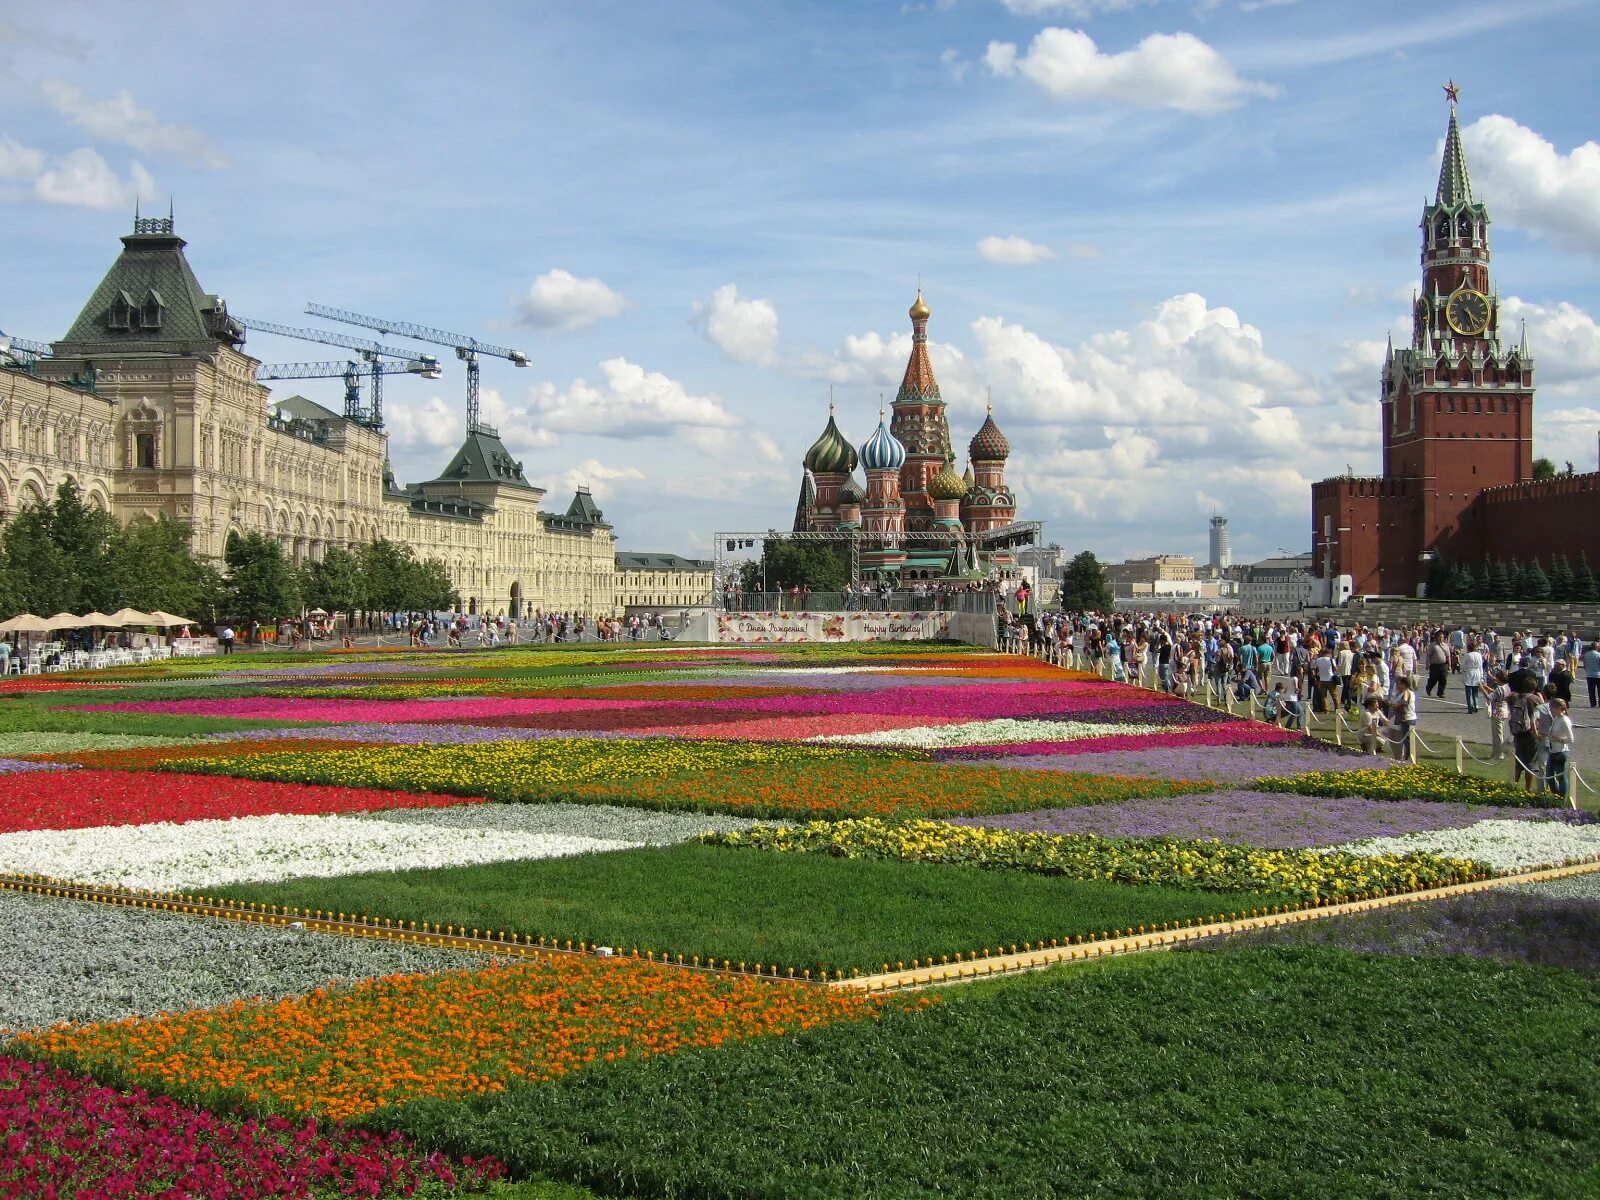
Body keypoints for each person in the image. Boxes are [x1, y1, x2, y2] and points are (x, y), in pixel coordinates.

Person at [1543, 697, 1575, 803]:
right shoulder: (1556, 719)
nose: (1551, 710)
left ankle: (1562, 799)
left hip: (1561, 752)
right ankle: (1557, 796)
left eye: (1553, 708)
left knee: (1561, 777)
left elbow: (1571, 739)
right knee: (1549, 776)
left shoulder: (1564, 720)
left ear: (1560, 708)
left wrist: (1558, 739)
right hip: (1553, 751)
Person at [1390, 675, 1417, 760]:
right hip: (1410, 718)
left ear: (1405, 685)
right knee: (1406, 739)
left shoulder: (1406, 692)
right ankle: (1406, 756)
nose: (1398, 686)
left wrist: (1395, 705)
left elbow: (1405, 701)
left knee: (1407, 740)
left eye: (1400, 684)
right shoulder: (1410, 692)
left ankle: (1407, 757)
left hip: (1407, 718)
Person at [1461, 640, 1484, 713]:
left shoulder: (1468, 655)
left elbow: (1464, 665)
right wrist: (1481, 676)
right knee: (1475, 691)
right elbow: (1481, 666)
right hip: (1477, 672)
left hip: (1469, 673)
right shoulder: (1479, 655)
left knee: (1469, 692)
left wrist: (1463, 671)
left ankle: (1470, 707)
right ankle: (1476, 704)